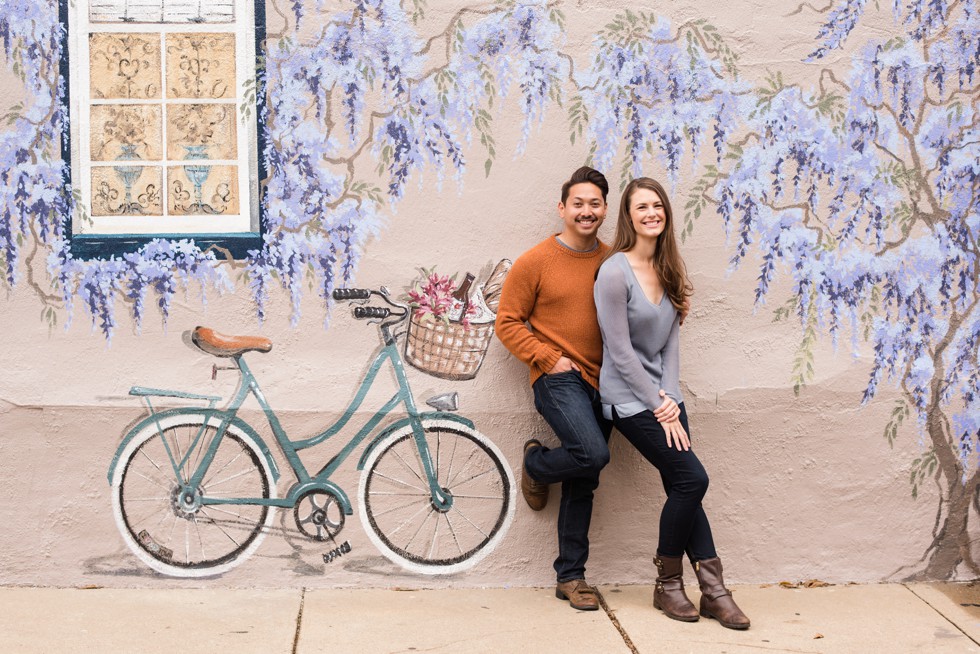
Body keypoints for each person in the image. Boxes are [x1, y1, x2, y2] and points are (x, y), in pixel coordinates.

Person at [495, 166, 678, 611]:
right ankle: (537, 464)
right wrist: (546, 357)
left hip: (608, 383)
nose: (587, 211)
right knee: (593, 454)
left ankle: (571, 577)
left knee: (585, 479)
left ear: (605, 211)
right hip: (557, 377)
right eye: (578, 203)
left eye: (595, 203)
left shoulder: (616, 262)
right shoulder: (534, 261)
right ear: (562, 208)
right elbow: (506, 323)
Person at [593, 177, 750, 630]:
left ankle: (715, 594)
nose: (651, 213)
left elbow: (669, 349)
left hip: (663, 398)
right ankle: (668, 585)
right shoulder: (614, 271)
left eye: (658, 205)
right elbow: (619, 351)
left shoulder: (670, 270)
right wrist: (656, 404)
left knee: (685, 486)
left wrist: (672, 400)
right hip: (625, 398)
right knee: (691, 478)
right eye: (642, 206)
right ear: (629, 216)